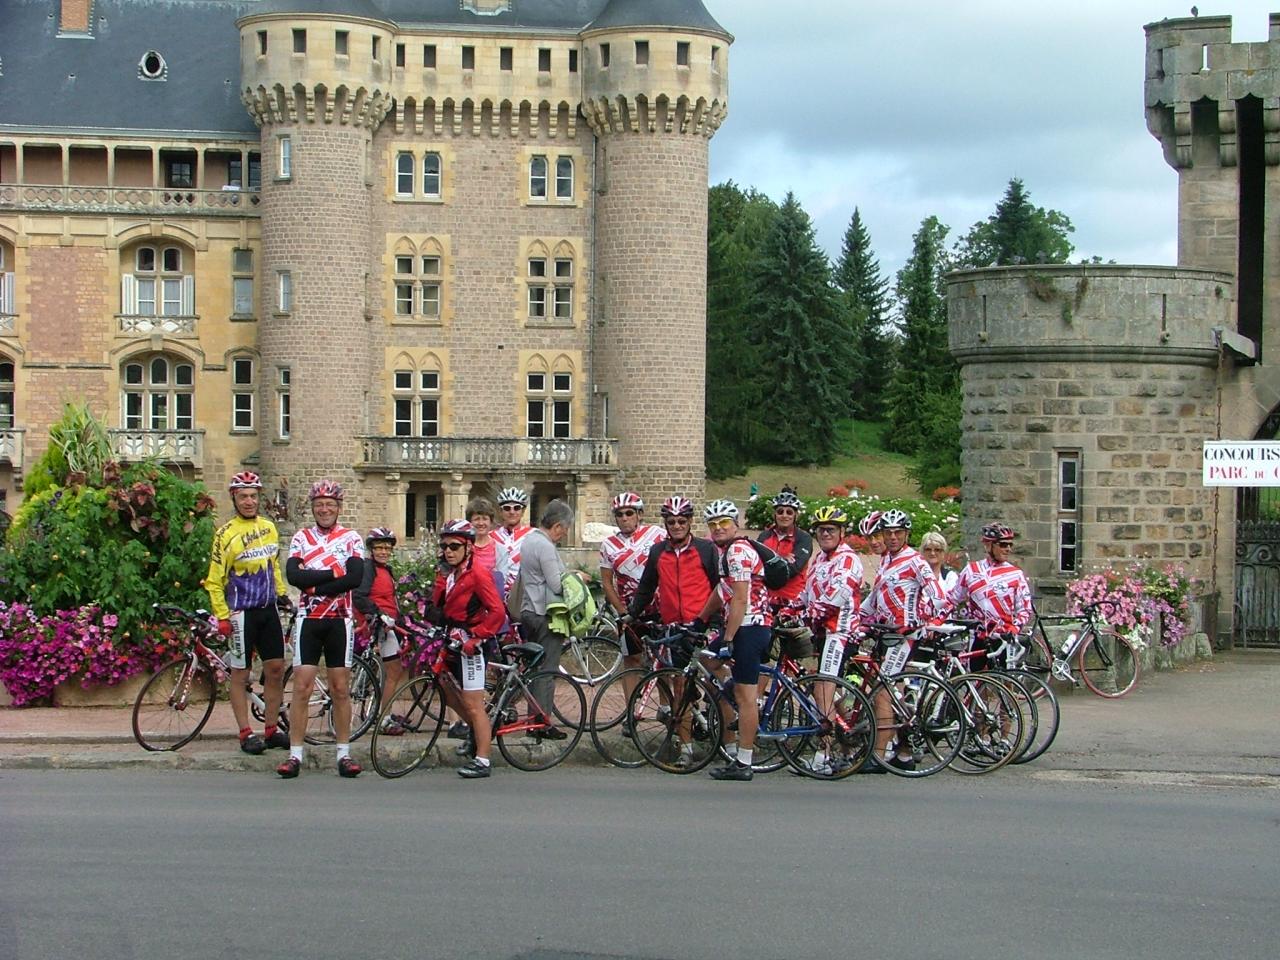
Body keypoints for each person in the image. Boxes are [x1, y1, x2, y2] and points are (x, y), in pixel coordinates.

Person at [277, 480, 366, 779]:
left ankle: (344, 753)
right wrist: (332, 573)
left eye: (329, 504)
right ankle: (295, 755)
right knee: (301, 687)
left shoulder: (351, 538)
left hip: (340, 620)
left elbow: (354, 578)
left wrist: (314, 584)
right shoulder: (302, 537)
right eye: (319, 505)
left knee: (340, 688)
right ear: (313, 508)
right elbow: (293, 576)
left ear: (338, 508)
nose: (324, 509)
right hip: (309, 620)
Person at [626, 495, 721, 763]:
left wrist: (716, 621)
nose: (677, 526)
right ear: (665, 524)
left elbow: (719, 585)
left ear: (690, 522)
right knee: (680, 687)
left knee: (717, 683)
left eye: (681, 521)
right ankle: (686, 748)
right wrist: (631, 614)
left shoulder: (706, 549)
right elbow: (647, 587)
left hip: (703, 624)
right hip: (675, 628)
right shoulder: (658, 552)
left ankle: (730, 743)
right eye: (671, 522)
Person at [204, 471, 291, 755]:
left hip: (268, 611)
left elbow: (273, 566)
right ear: (234, 498)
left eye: (253, 496)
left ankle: (271, 729)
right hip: (241, 613)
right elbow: (214, 580)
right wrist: (222, 616)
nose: (249, 501)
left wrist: (281, 594)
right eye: (243, 496)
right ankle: (245, 732)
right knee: (240, 674)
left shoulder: (269, 527)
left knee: (275, 669)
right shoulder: (225, 534)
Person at [859, 508, 945, 772]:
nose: (893, 537)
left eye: (898, 532)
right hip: (887, 633)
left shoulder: (915, 561)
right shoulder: (887, 560)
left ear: (906, 534)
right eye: (888, 533)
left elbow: (938, 596)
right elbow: (875, 598)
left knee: (882, 693)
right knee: (892, 694)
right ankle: (904, 754)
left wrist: (922, 620)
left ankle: (879, 756)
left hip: (904, 636)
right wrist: (857, 618)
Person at [701, 498, 772, 782]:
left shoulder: (738, 551)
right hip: (743, 626)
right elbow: (723, 591)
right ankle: (735, 695)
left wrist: (728, 638)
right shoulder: (725, 552)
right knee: (705, 658)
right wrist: (700, 619)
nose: (718, 528)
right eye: (713, 524)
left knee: (746, 698)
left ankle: (744, 761)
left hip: (750, 627)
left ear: (736, 524)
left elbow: (740, 598)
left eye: (724, 522)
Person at [431, 519, 506, 779]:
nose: (448, 551)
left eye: (454, 546)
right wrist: (440, 580)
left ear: (468, 547)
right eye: (444, 547)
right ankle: (476, 731)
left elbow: (497, 611)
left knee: (474, 704)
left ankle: (483, 759)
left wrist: (478, 638)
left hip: (472, 645)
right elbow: (439, 606)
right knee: (446, 689)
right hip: (452, 640)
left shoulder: (478, 574)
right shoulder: (450, 574)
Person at [798, 505, 864, 775]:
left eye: (830, 530)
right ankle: (851, 742)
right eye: (821, 530)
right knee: (829, 694)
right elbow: (806, 594)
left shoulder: (848, 559)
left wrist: (808, 613)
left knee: (823, 690)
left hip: (841, 633)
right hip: (823, 633)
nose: (825, 534)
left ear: (841, 532)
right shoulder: (819, 560)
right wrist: (788, 608)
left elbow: (836, 595)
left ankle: (823, 756)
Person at [517, 499, 581, 732]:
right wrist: (576, 578)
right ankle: (542, 724)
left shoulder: (529, 540)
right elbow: (556, 583)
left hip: (528, 610)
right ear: (557, 526)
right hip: (544, 613)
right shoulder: (545, 546)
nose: (564, 534)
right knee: (547, 670)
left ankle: (533, 721)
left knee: (534, 670)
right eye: (564, 529)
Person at [599, 491, 665, 701]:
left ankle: (666, 707)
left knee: (662, 662)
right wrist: (621, 611)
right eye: (619, 514)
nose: (624, 518)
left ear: (639, 514)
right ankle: (630, 710)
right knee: (631, 661)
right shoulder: (608, 545)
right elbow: (607, 582)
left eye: (629, 513)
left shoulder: (657, 535)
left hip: (658, 609)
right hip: (628, 612)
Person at [352, 526, 407, 736]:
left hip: (390, 623)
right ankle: (384, 718)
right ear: (371, 550)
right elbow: (359, 596)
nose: (383, 552)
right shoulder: (369, 568)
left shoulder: (386, 569)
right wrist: (378, 614)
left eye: (387, 548)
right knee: (393, 670)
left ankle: (382, 711)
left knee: (388, 671)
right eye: (379, 548)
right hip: (380, 625)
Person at [947, 523, 1033, 648]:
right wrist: (936, 620)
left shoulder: (1016, 574)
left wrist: (1015, 628)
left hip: (1003, 638)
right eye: (1003, 545)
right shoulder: (971, 570)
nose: (1008, 549)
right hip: (977, 637)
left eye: (1010, 545)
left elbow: (1025, 609)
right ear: (988, 545)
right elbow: (952, 599)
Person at [757, 487, 813, 617]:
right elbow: (756, 566)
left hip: (792, 601)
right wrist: (782, 559)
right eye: (780, 511)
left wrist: (767, 564)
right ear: (774, 514)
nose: (784, 515)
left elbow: (793, 569)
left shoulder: (803, 538)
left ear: (796, 515)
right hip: (766, 600)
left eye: (789, 512)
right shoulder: (764, 536)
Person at [493, 486, 533, 598]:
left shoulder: (533, 535)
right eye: (507, 508)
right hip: (496, 594)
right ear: (500, 511)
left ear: (523, 511)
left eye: (517, 508)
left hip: (523, 594)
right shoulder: (491, 537)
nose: (512, 512)